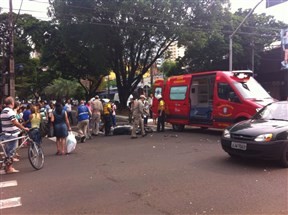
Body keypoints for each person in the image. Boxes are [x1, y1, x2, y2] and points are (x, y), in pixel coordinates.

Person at [0, 96, 29, 173]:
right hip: (11, 135)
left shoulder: (3, 111)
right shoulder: (9, 111)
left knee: (7, 152)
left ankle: (7, 167)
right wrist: (23, 128)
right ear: (12, 103)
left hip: (5, 134)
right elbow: (14, 122)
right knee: (11, 152)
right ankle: (9, 168)